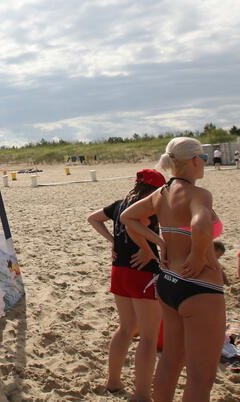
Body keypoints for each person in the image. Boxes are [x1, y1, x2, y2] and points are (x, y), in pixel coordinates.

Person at [121, 137, 225, 402]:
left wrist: (160, 241)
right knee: (201, 377)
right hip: (199, 286)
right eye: (202, 157)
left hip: (168, 283)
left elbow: (128, 217)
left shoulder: (162, 193)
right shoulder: (198, 194)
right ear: (194, 160)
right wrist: (200, 256)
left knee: (170, 361)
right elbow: (201, 224)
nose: (204, 162)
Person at [87, 168, 166, 399]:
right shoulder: (148, 205)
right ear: (156, 189)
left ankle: (113, 381)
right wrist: (147, 249)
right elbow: (134, 225)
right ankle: (142, 394)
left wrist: (114, 242)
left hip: (119, 269)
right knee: (149, 336)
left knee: (126, 328)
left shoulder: (120, 203)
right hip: (142, 272)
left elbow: (93, 219)